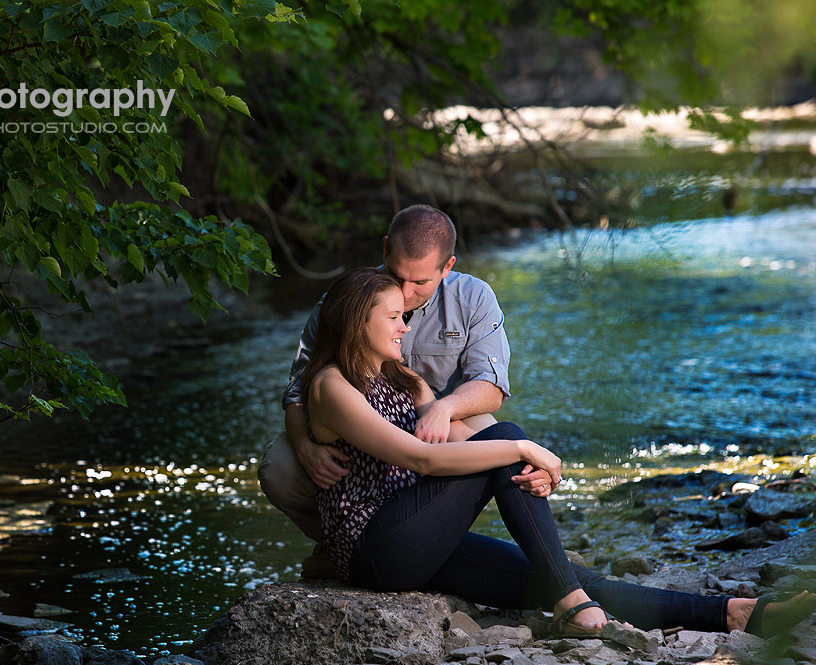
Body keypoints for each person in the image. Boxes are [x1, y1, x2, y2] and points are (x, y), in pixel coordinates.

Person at [300, 266, 812, 636]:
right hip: (375, 551)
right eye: (392, 317)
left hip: (420, 538)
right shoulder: (330, 386)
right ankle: (571, 602)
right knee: (506, 440)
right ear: (355, 320)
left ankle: (736, 613)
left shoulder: (402, 377)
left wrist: (524, 469)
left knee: (561, 574)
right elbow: (423, 459)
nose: (405, 326)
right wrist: (521, 446)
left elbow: (457, 443)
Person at [259, 204, 549, 574]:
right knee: (278, 465)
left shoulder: (473, 298)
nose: (406, 292)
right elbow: (299, 390)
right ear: (384, 250)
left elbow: (490, 387)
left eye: (421, 282)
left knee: (503, 438)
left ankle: (534, 554)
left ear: (448, 267)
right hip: (358, 436)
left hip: (436, 421)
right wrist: (305, 445)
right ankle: (335, 545)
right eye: (397, 276)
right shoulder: (351, 300)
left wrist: (443, 410)